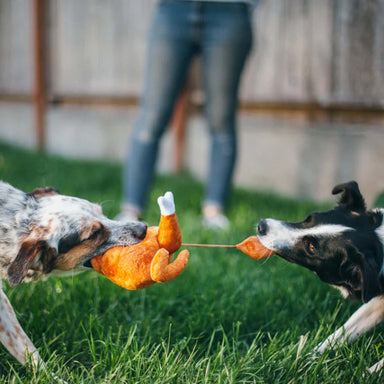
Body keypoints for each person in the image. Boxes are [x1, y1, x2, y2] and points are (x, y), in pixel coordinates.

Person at [118, 0, 257, 230]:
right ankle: (130, 210)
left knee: (221, 119)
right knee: (152, 116)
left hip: (231, 11)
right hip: (173, 9)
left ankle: (214, 211)